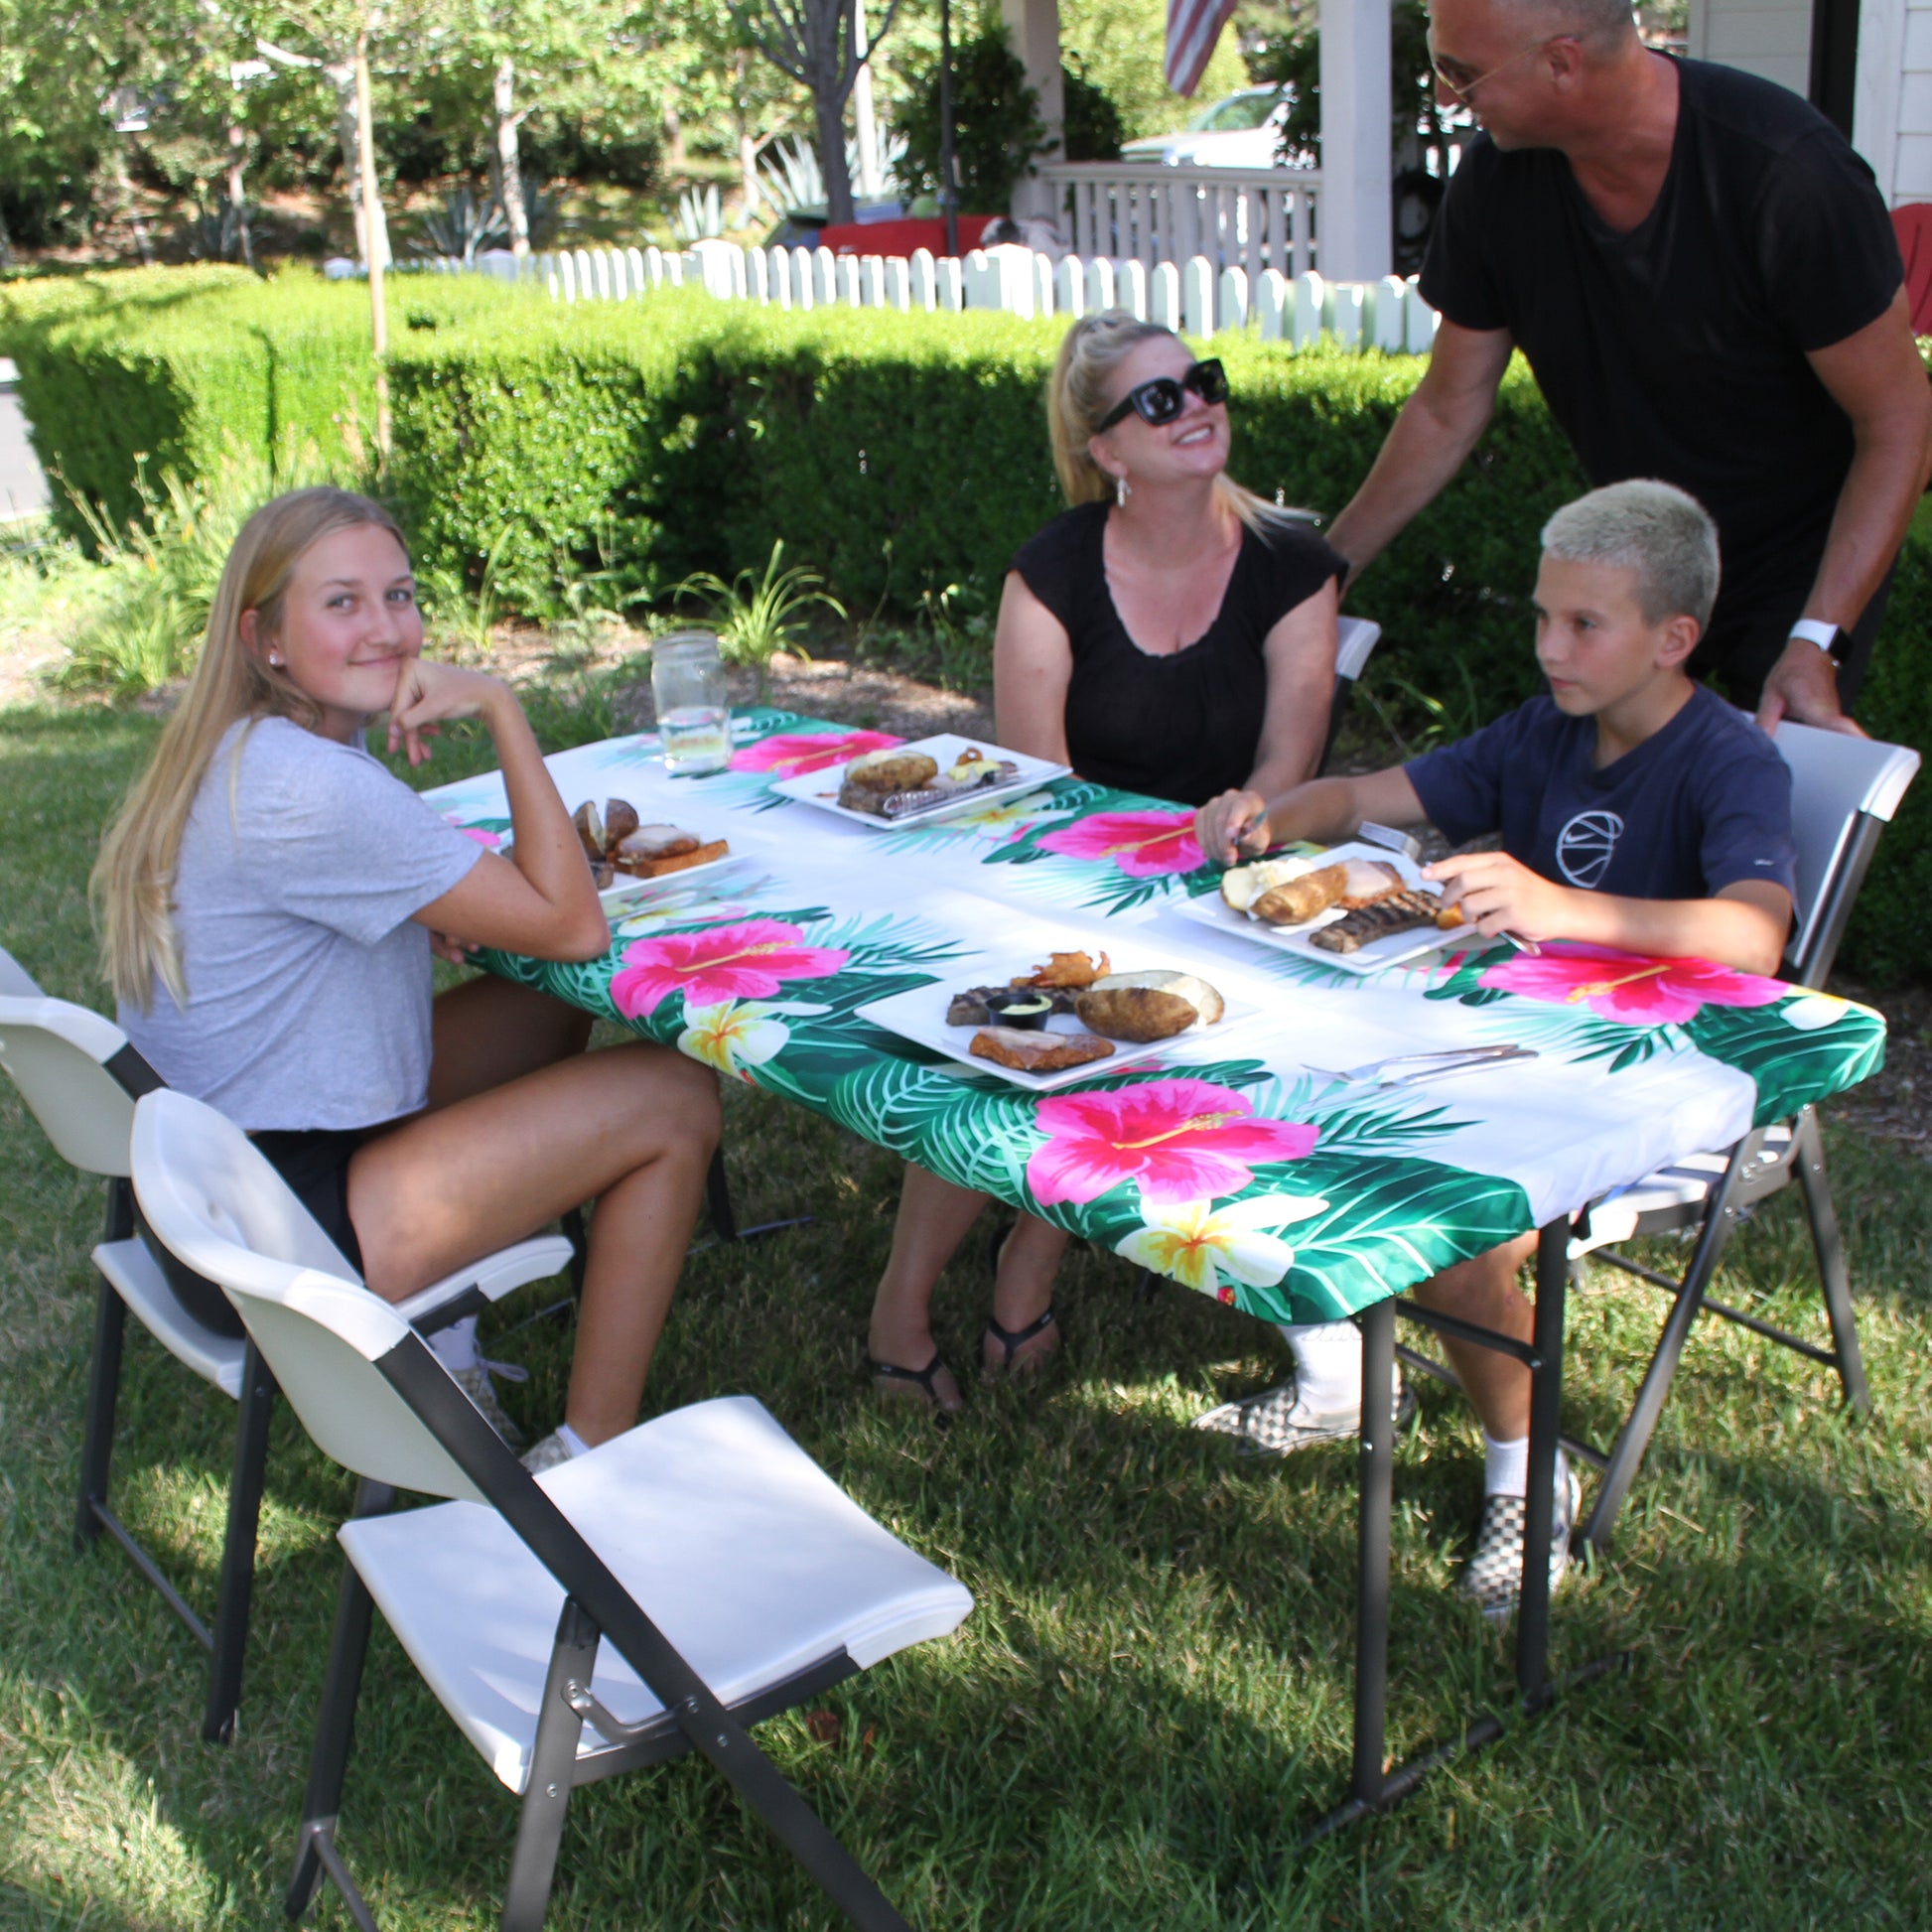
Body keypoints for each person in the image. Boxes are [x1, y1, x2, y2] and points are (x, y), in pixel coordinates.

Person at [1197, 479, 1796, 1613]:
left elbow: (1754, 935)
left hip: (1664, 1088)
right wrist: (1276, 810)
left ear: (1674, 638)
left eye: (1581, 624)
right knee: (1254, 1088)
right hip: (1505, 1049)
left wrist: (1560, 907)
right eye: (1539, 616)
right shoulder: (1540, 731)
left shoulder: (1726, 760)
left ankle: (1529, 1477)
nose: (1547, 647)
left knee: (1459, 1238)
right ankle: (1334, 1377)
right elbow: (1368, 791)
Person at [93, 487, 722, 1474]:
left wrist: (412, 917)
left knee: (544, 1002)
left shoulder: (239, 747)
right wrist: (500, 705)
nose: (387, 628)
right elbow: (568, 921)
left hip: (205, 1192)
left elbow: (340, 906)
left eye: (399, 593)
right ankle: (584, 1460)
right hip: (276, 1235)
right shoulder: (316, 784)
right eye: (342, 601)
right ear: (264, 637)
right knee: (674, 1092)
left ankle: (449, 1324)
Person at [868, 310, 1383, 1438]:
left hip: (1240, 877)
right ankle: (898, 1317)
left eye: (1201, 382)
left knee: (1136, 1013)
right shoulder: (1049, 571)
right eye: (1159, 399)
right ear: (1103, 446)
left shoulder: (1291, 561)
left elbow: (1283, 769)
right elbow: (1036, 788)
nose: (1195, 405)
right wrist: (1109, 912)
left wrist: (1227, 856)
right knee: (994, 1030)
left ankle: (1029, 1265)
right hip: (1070, 875)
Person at [1324, 0, 1932, 736]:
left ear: (1562, 62)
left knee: (1753, 816)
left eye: (1462, 72)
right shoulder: (1497, 184)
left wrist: (1817, 639)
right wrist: (1325, 571)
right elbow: (1448, 408)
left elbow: (1899, 421)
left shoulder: (1786, 175)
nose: (1448, 96)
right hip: (1641, 551)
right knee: (1604, 811)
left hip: (1799, 566)